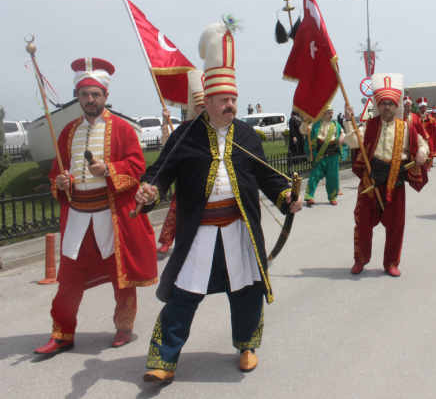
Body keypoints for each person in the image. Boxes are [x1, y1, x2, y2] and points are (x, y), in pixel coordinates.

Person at [137, 20, 302, 384]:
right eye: (223, 100)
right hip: (199, 231)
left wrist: (285, 196)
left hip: (239, 228)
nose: (230, 105)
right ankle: (163, 360)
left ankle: (246, 346)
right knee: (183, 294)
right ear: (207, 101)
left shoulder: (246, 133)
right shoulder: (185, 135)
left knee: (246, 290)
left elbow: (266, 176)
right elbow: (159, 172)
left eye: (233, 100)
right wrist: (150, 189)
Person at [35, 57, 158, 356]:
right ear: (77, 96)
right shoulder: (66, 132)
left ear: (106, 96)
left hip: (111, 214)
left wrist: (110, 170)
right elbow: (56, 171)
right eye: (84, 94)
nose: (90, 100)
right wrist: (60, 184)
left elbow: (136, 167)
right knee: (68, 278)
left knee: (121, 276)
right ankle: (62, 332)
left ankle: (124, 326)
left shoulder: (124, 130)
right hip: (78, 215)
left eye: (96, 94)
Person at [344, 73, 428, 277]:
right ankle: (360, 259)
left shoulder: (406, 127)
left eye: (390, 104)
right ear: (378, 106)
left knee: (396, 224)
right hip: (370, 178)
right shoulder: (368, 125)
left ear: (396, 106)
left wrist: (422, 154)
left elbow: (423, 143)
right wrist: (348, 120)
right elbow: (353, 142)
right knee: (362, 222)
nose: (387, 107)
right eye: (383, 104)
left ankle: (391, 262)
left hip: (395, 178)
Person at [157, 69, 206, 255]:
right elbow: (167, 147)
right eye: (201, 107)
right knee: (176, 210)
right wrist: (165, 120)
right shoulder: (184, 129)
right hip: (188, 179)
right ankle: (166, 241)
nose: (205, 111)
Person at [300, 104, 347, 206]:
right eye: (329, 113)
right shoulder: (315, 124)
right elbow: (304, 131)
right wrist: (304, 121)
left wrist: (342, 137)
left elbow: (343, 133)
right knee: (314, 175)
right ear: (323, 114)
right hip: (319, 155)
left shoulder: (336, 125)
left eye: (332, 113)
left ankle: (332, 197)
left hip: (333, 155)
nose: (331, 115)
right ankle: (309, 197)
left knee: (333, 177)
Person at [418, 97, 436, 171]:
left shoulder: (429, 116)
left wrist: (429, 118)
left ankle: (429, 165)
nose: (424, 109)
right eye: (422, 108)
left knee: (430, 150)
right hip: (421, 137)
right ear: (420, 108)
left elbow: (434, 122)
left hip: (429, 136)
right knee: (422, 150)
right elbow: (415, 124)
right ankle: (423, 165)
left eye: (425, 108)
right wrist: (420, 119)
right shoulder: (416, 116)